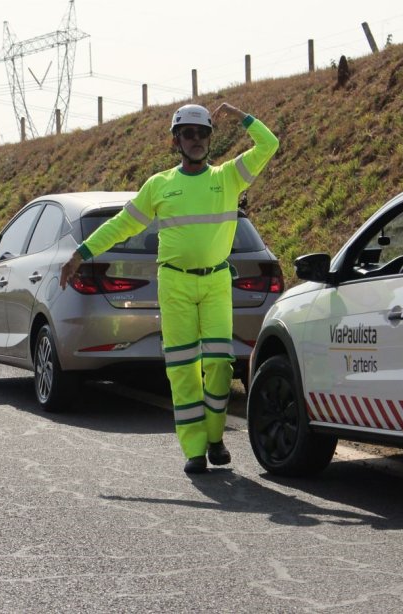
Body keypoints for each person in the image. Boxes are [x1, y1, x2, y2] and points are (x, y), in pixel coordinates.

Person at [60, 102, 279, 474]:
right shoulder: (159, 185)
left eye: (203, 133)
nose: (196, 140)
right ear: (176, 140)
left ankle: (215, 437)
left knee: (220, 365)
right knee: (182, 366)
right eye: (189, 134)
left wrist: (242, 115)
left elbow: (268, 144)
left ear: (210, 138)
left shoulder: (228, 177)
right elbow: (122, 225)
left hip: (215, 283)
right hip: (174, 283)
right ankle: (194, 450)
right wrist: (81, 253)